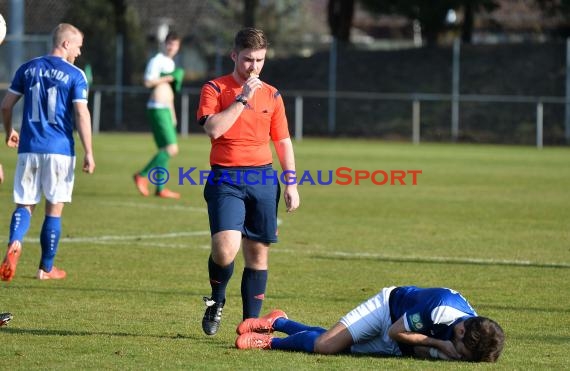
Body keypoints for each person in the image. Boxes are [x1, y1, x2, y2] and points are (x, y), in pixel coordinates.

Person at [196, 27, 300, 336]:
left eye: (259, 60)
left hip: (263, 180)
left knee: (257, 254)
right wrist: (242, 99)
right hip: (225, 178)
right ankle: (216, 299)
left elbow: (283, 142)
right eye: (247, 60)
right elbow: (214, 129)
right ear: (234, 56)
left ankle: (251, 327)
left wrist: (291, 184)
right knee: (225, 250)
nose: (253, 67)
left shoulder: (273, 94)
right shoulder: (214, 88)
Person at [0, 23, 95, 282]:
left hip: (28, 148)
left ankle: (15, 242)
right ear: (65, 44)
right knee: (54, 209)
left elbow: (6, 106)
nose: (78, 52)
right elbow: (81, 113)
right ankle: (46, 268)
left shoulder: (26, 68)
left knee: (25, 204)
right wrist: (89, 151)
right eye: (77, 46)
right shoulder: (75, 75)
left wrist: (9, 131)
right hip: (60, 150)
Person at [235, 286, 505, 363]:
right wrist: (439, 344)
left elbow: (420, 350)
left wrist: (439, 350)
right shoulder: (440, 307)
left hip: (403, 345)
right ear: (460, 331)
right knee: (326, 346)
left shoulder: (471, 331)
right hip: (386, 312)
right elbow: (395, 331)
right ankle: (271, 341)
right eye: (461, 351)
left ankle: (277, 321)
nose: (459, 356)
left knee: (335, 344)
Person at [133, 31, 184, 199]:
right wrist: (167, 78)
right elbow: (148, 81)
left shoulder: (170, 63)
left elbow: (169, 92)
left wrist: (173, 113)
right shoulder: (157, 60)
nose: (172, 47)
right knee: (172, 149)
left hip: (165, 109)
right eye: (169, 43)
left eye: (175, 44)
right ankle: (142, 175)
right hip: (157, 108)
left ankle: (160, 188)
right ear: (165, 44)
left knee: (165, 150)